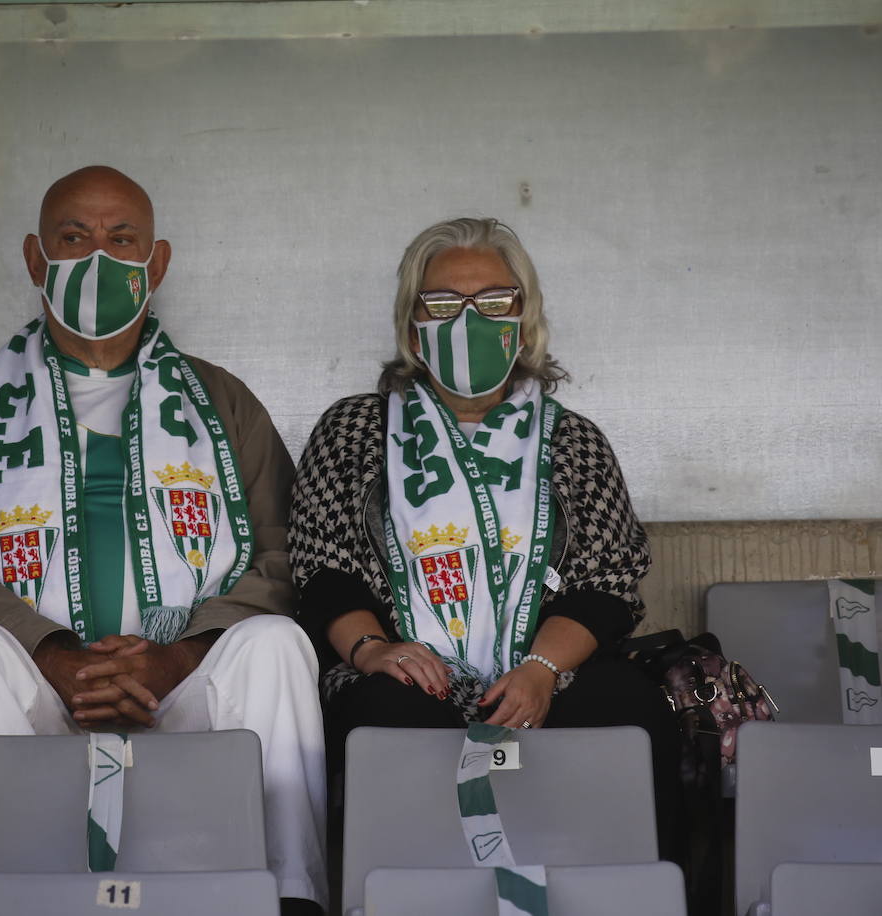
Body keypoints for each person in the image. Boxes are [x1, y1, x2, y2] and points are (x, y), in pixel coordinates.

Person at [0, 165, 326, 913]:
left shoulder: (221, 402)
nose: (97, 258)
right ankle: (9, 896)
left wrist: (179, 656)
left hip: (183, 688)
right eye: (73, 237)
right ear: (33, 258)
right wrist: (52, 653)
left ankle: (290, 898)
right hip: (39, 693)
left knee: (276, 644)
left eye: (122, 240)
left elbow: (284, 552)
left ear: (158, 263)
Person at [289, 216, 682, 862]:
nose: (468, 321)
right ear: (412, 322)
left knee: (629, 703)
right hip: (407, 675)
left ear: (523, 319)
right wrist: (373, 651)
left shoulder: (573, 441)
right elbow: (320, 567)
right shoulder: (354, 431)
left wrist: (540, 670)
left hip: (548, 675)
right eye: (443, 304)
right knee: (385, 710)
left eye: (493, 302)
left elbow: (608, 581)